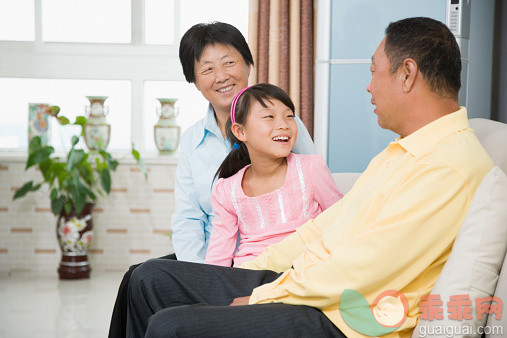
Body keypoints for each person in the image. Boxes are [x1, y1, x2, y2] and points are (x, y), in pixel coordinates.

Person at [127, 17, 494, 337]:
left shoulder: (448, 166)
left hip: (343, 315)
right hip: (305, 280)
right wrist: (250, 270)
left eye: (372, 71)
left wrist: (262, 294)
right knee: (148, 276)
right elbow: (325, 226)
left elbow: (366, 269)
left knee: (168, 326)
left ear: (407, 74)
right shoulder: (402, 150)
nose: (369, 86)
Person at [108, 22, 316, 338]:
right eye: (207, 69)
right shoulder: (193, 139)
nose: (221, 76)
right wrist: (201, 273)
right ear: (194, 80)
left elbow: (315, 195)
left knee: (146, 276)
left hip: (266, 260)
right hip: (211, 257)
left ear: (248, 64)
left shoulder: (281, 123)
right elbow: (188, 217)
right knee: (135, 277)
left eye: (229, 62)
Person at [205, 83, 342, 267]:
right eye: (269, 117)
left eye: (289, 116)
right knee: (155, 269)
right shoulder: (226, 190)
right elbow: (218, 257)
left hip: (303, 273)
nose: (283, 125)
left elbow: (343, 221)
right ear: (240, 131)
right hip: (249, 276)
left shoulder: (310, 168)